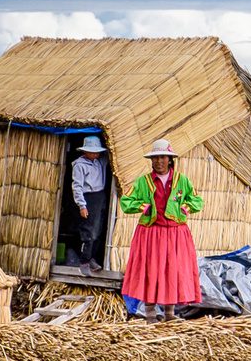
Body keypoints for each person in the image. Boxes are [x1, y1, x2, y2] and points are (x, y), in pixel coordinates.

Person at [119, 138, 204, 323]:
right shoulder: (143, 182)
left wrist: (187, 207)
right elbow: (126, 202)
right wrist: (142, 207)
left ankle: (169, 313)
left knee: (172, 270)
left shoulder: (182, 181)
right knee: (151, 269)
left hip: (175, 233)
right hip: (150, 233)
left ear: (170, 159)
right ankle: (150, 314)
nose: (159, 162)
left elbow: (197, 201)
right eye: (155, 158)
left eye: (163, 157)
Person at [71, 135, 109, 276]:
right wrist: (82, 205)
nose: (95, 154)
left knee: (98, 230)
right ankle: (84, 261)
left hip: (100, 196)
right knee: (88, 232)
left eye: (97, 152)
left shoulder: (99, 162)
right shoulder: (79, 165)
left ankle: (92, 258)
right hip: (88, 198)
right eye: (92, 152)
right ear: (85, 151)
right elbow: (77, 186)